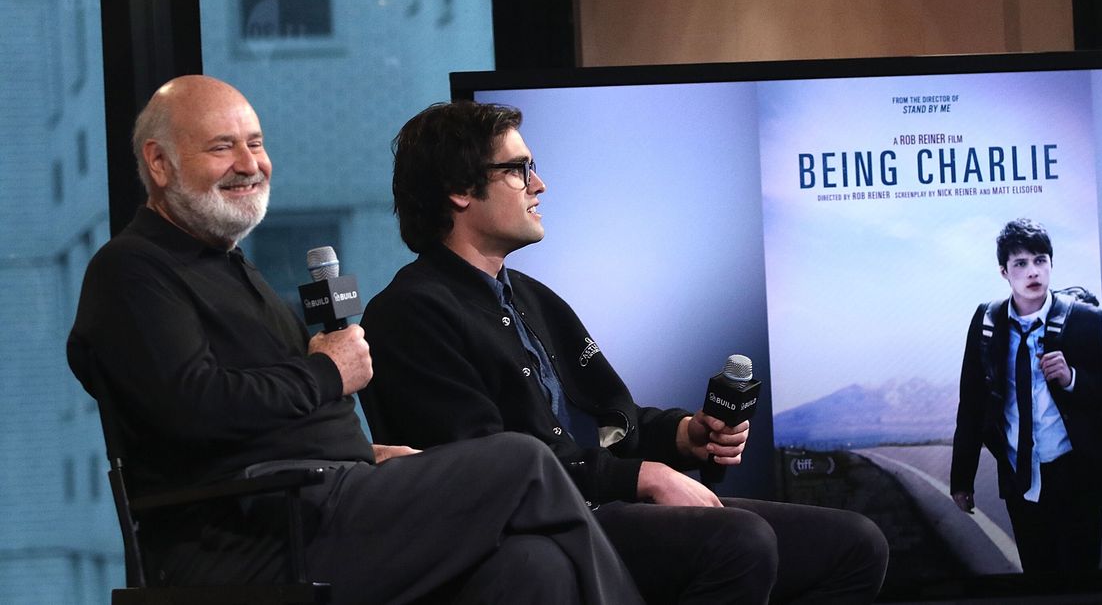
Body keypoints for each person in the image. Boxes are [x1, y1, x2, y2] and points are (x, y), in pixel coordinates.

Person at [66, 76, 644, 605]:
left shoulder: (232, 269)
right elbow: (193, 407)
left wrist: (362, 453)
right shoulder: (132, 271)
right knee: (522, 460)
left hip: (324, 501)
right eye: (223, 147)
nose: (249, 164)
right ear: (159, 163)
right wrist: (325, 373)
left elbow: (274, 419)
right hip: (257, 538)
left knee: (533, 565)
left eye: (256, 144)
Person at [358, 100, 890, 604]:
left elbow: (613, 421)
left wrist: (684, 434)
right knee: (739, 541)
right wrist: (641, 477)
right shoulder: (409, 314)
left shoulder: (532, 298)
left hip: (605, 506)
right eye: (518, 170)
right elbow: (491, 469)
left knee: (854, 545)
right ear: (459, 190)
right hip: (544, 531)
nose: (539, 184)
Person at [950, 218, 1102, 572]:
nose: (1033, 271)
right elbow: (972, 403)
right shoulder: (987, 322)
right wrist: (962, 478)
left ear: (1051, 263)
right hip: (1019, 477)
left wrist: (1072, 379)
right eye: (1020, 263)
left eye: (1040, 260)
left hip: (1075, 473)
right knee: (1038, 575)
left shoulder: (1085, 319)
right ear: (1004, 272)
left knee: (1083, 578)